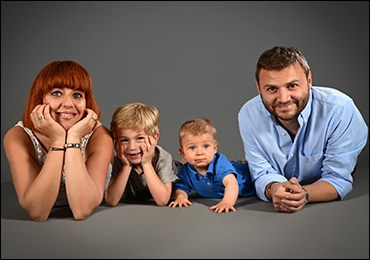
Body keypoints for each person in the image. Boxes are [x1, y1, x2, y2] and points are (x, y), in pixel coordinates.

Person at [238, 45, 368, 213]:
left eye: (292, 86)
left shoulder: (341, 110)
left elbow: (337, 178)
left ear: (309, 81)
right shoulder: (248, 115)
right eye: (271, 89)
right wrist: (275, 188)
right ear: (259, 88)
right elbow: (262, 173)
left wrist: (304, 194)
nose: (283, 99)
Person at [3, 60, 113, 221]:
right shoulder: (18, 136)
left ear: (86, 102)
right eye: (56, 93)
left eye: (77, 95)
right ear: (40, 97)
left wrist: (73, 138)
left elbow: (82, 210)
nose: (68, 103)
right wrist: (58, 140)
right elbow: (38, 212)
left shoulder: (100, 136)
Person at [168, 118, 255, 213]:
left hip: (249, 176)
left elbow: (231, 183)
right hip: (231, 166)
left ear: (215, 148)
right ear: (182, 152)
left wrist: (227, 202)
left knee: (248, 165)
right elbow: (180, 188)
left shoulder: (219, 163)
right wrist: (181, 197)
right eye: (192, 147)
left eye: (205, 146)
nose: (200, 153)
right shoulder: (186, 171)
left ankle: (247, 160)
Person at [105, 102, 178, 207]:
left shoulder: (163, 158)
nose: (132, 147)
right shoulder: (120, 160)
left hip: (178, 174)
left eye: (139, 138)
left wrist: (146, 163)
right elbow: (111, 201)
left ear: (155, 138)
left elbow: (162, 201)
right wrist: (126, 166)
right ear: (116, 141)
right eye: (124, 140)